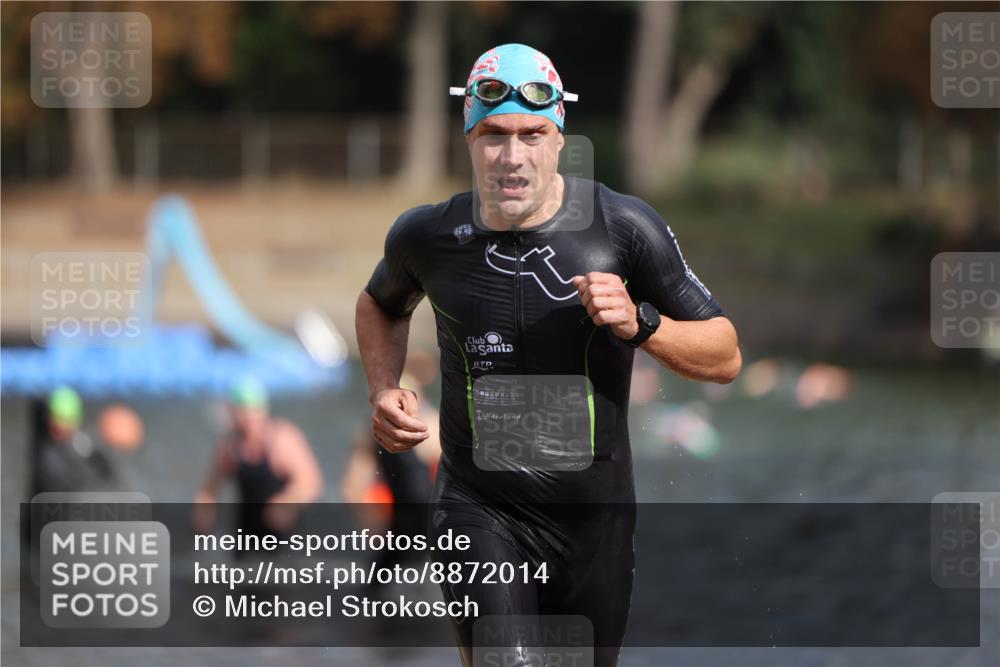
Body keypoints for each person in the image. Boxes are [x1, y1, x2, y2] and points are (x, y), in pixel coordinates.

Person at [356, 43, 741, 666]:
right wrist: (382, 385)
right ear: (468, 139)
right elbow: (380, 305)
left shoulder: (622, 228)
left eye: (532, 134)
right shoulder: (426, 235)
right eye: (493, 136)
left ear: (559, 135)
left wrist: (642, 324)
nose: (512, 157)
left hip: (594, 521)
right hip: (477, 507)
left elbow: (725, 354)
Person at [193, 377, 324, 543]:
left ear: (262, 409)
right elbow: (210, 488)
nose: (247, 417)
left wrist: (288, 500)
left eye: (252, 410)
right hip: (247, 538)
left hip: (287, 539)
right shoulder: (230, 446)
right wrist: (204, 513)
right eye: (241, 411)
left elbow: (311, 482)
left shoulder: (283, 440)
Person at [29, 385, 118, 497]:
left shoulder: (85, 444)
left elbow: (109, 474)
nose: (61, 426)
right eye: (57, 420)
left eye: (66, 420)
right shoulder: (48, 455)